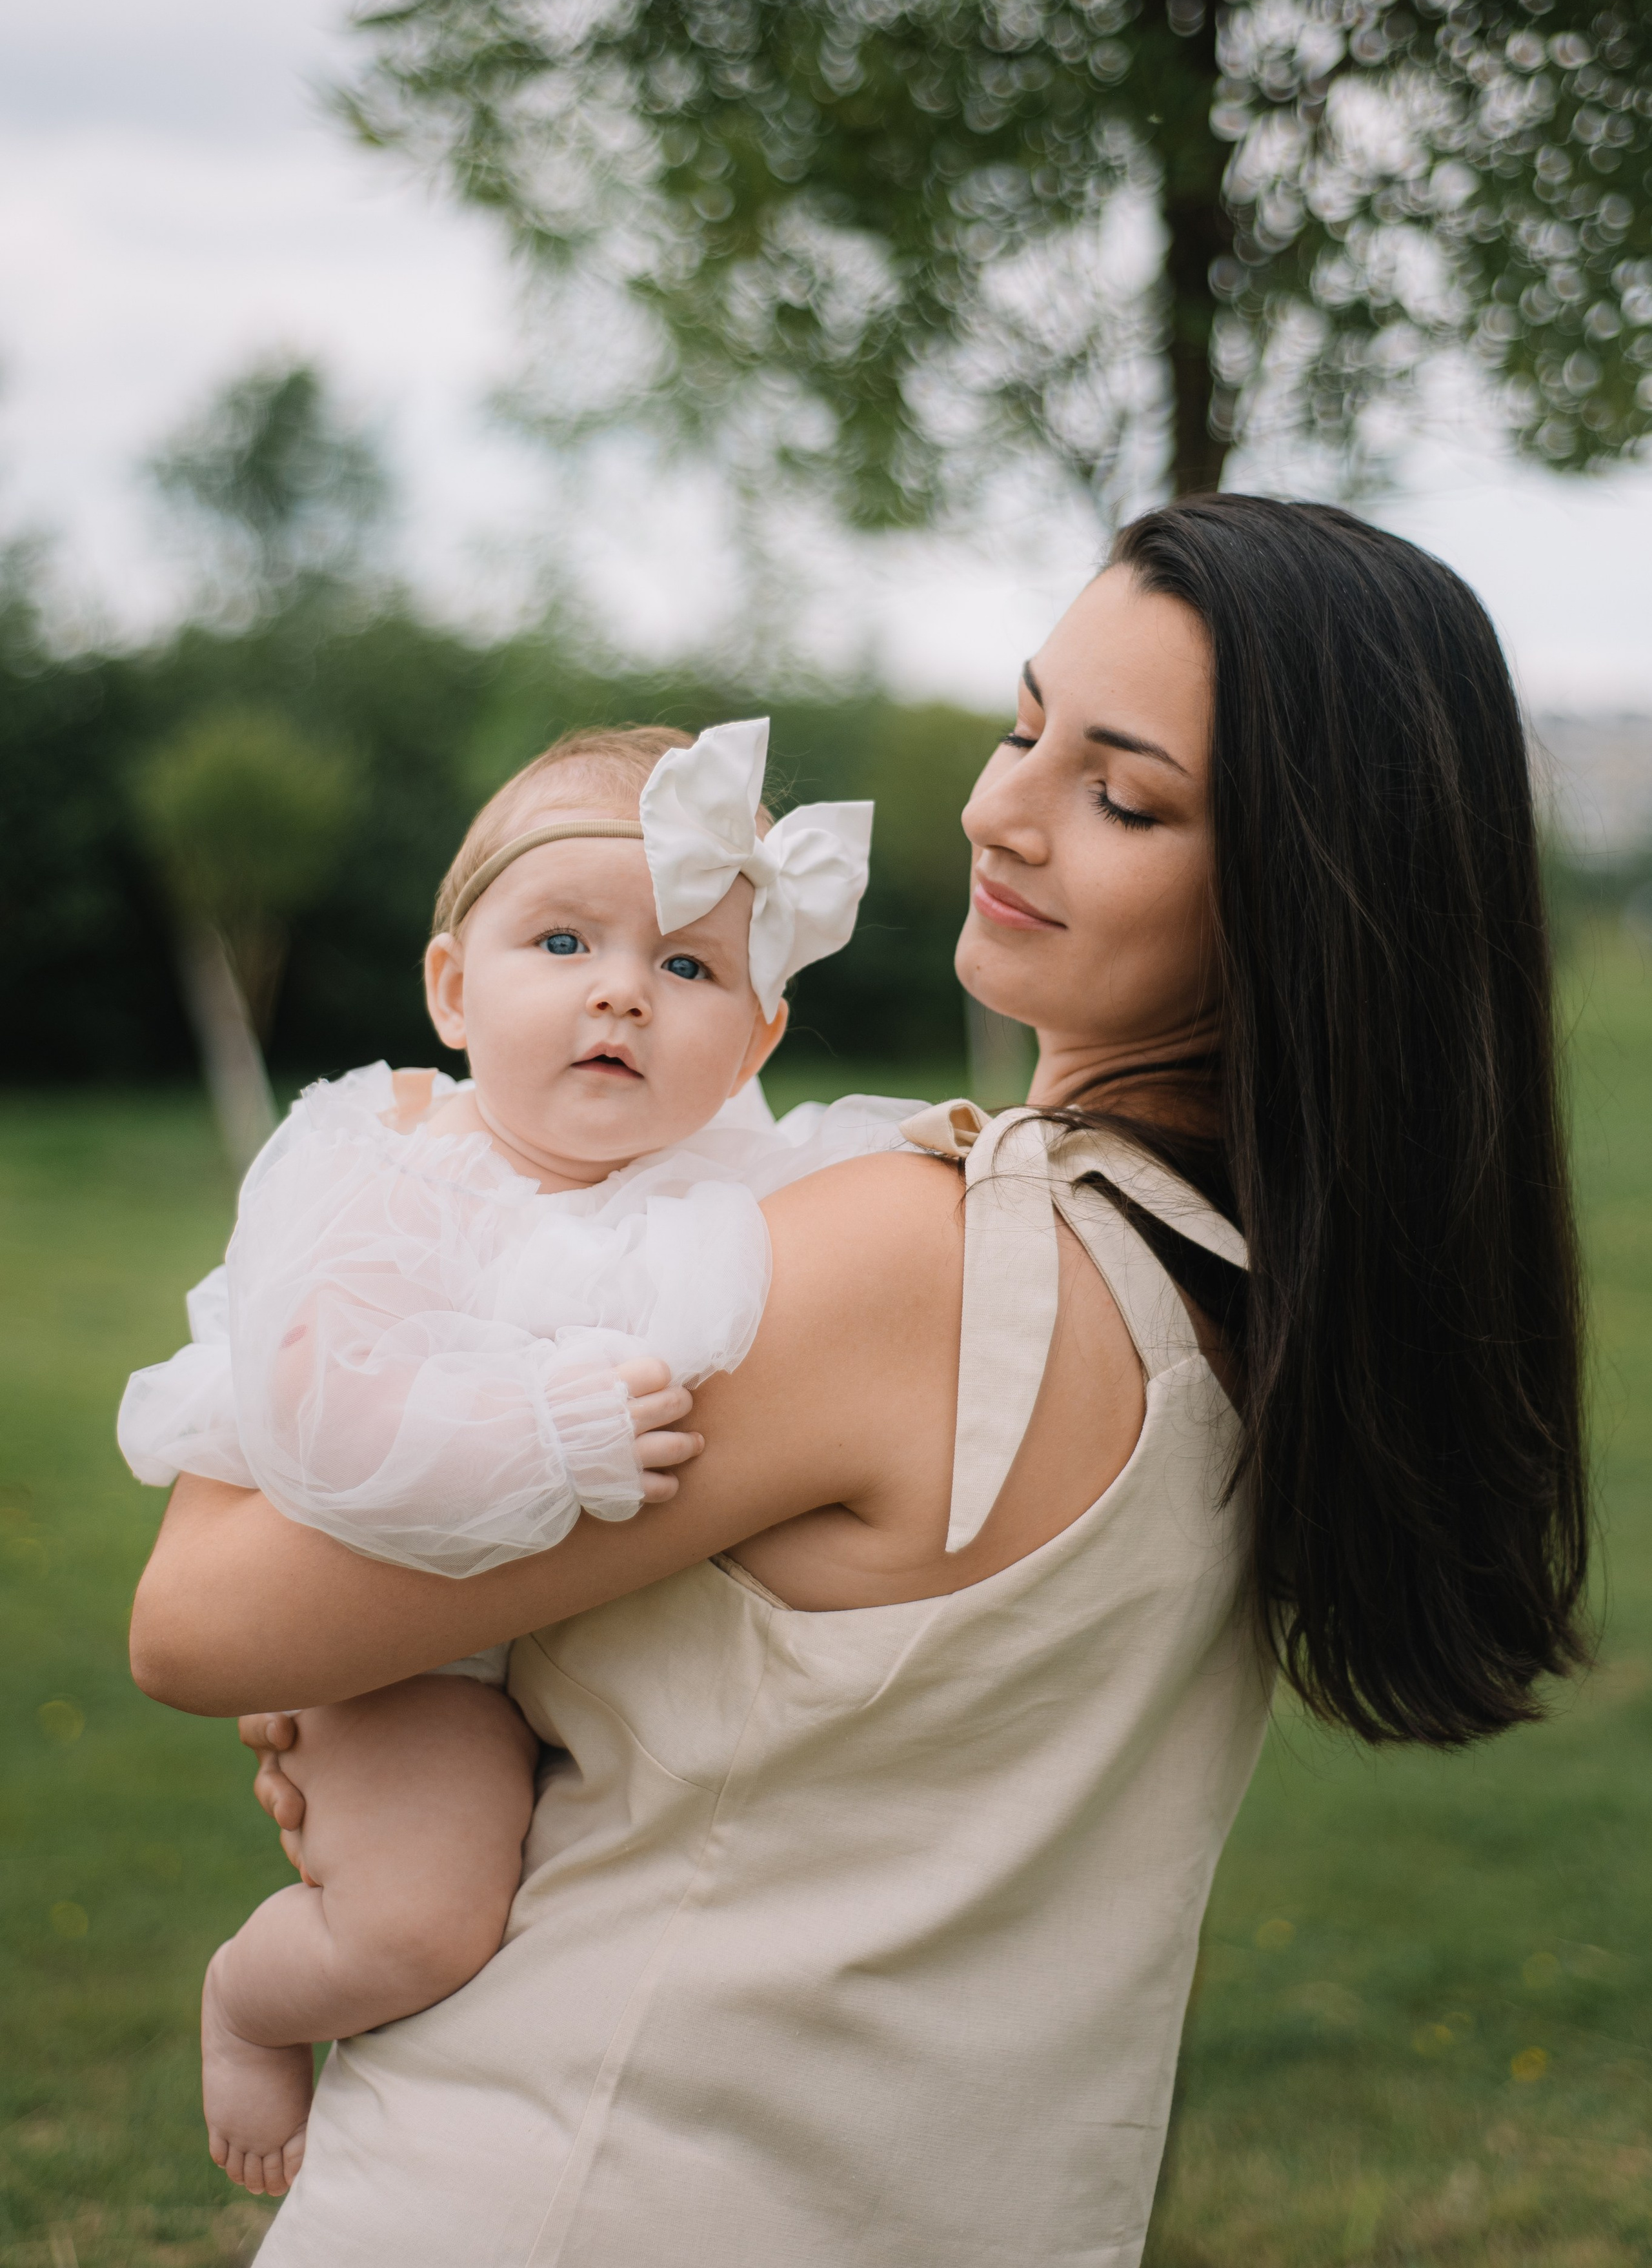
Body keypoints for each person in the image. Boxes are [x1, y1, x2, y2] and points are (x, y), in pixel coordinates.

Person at [130, 497, 1588, 2268]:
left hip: (568, 2192)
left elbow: (201, 1623)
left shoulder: (917, 1261)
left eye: (1120, 796)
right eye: (1022, 724)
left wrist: (318, 1248)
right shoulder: (1261, 1313)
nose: (998, 808)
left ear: (1304, 890)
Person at [118, 715, 916, 2195]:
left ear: (752, 1042)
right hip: (398, 1652)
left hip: (599, 1660)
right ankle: (255, 1997)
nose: (622, 988)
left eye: (687, 967)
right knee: (421, 1914)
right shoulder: (394, 1157)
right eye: (562, 943)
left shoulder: (734, 1191)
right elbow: (316, 1414)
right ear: (451, 987)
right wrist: (539, 1430)